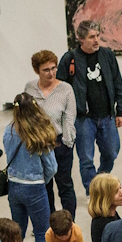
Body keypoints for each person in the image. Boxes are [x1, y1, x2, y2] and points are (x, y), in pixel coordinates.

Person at [0, 93, 58, 242]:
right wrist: (43, 180)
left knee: (18, 233)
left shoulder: (9, 131)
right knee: (42, 233)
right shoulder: (40, 133)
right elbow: (51, 167)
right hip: (35, 187)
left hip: (14, 187)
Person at [62, 22, 122, 190]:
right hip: (83, 119)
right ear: (81, 39)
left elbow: (117, 82)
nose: (96, 40)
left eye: (98, 35)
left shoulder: (107, 55)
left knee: (111, 153)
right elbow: (61, 89)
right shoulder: (70, 59)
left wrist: (120, 111)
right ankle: (93, 190)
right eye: (92, 37)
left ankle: (99, 180)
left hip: (107, 116)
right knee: (86, 159)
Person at [25, 50, 79, 221]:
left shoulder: (66, 90)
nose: (51, 73)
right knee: (44, 186)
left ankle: (69, 221)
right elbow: (26, 114)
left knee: (64, 184)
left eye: (54, 68)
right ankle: (50, 221)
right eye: (46, 70)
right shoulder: (30, 88)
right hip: (38, 144)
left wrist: (66, 143)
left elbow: (70, 118)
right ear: (37, 71)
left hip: (59, 143)